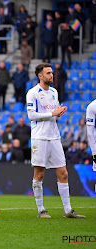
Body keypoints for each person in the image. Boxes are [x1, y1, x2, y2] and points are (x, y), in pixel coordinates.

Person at [26, 62, 85, 219]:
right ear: (40, 76)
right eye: (48, 73)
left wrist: (59, 113)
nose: (52, 75)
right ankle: (41, 210)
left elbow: (53, 113)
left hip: (54, 137)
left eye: (52, 73)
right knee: (39, 174)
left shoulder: (54, 92)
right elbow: (31, 116)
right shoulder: (32, 93)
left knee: (63, 173)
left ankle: (68, 210)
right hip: (40, 138)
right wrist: (52, 113)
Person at [86, 100, 96, 171]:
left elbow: (90, 133)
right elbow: (90, 133)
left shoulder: (92, 106)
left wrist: (95, 152)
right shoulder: (92, 106)